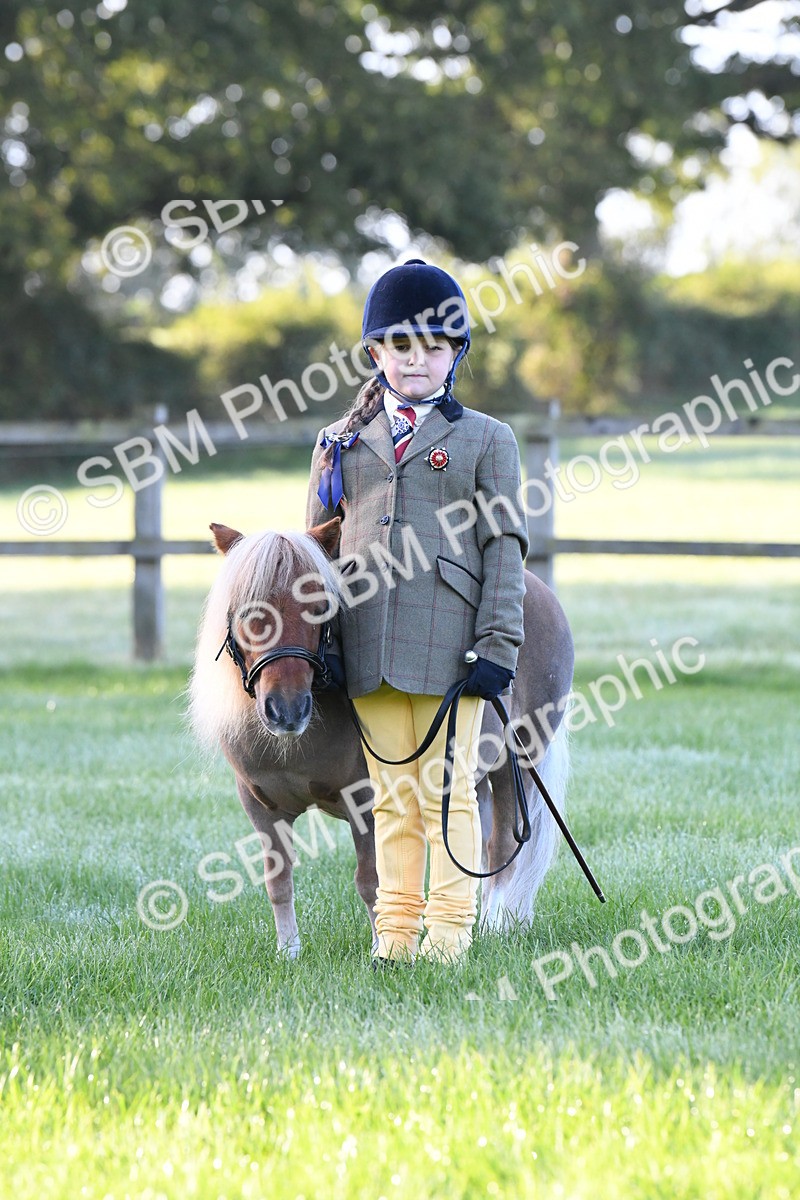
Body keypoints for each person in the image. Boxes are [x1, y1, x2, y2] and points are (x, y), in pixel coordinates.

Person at [305, 259, 528, 965]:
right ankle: (395, 938)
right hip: (368, 644)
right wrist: (324, 643)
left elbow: (505, 546)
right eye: (401, 347)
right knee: (392, 799)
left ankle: (449, 937)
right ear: (376, 353)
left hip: (453, 648)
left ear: (455, 354)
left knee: (449, 794)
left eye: (434, 346)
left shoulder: (488, 439)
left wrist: (498, 644)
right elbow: (315, 551)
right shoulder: (337, 442)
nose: (417, 361)